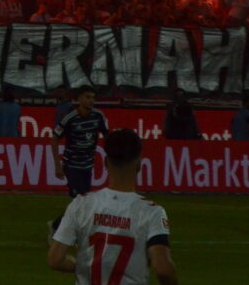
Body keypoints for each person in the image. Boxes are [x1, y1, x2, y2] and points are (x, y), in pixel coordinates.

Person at [48, 129, 178, 284]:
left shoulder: (81, 204)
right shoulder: (152, 212)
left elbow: (55, 259)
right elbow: (162, 268)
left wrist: (88, 267)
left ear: (105, 163)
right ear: (139, 164)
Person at [52, 87, 109, 231]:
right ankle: (63, 228)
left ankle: (58, 225)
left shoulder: (98, 116)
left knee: (82, 202)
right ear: (79, 99)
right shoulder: (70, 118)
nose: (91, 101)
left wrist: (111, 156)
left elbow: (108, 136)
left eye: (93, 97)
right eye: (88, 97)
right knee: (81, 200)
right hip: (71, 166)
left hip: (87, 166)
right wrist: (57, 165)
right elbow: (55, 138)